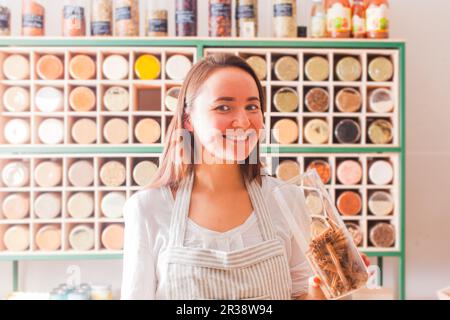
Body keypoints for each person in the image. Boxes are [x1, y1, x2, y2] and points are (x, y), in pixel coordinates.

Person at [120, 53, 370, 300]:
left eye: (252, 107)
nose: (242, 121)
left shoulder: (287, 199)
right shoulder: (147, 208)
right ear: (189, 120)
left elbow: (302, 294)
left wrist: (335, 283)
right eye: (223, 107)